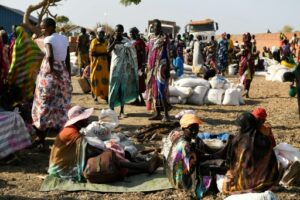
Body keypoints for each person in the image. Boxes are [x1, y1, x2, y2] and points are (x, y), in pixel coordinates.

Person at [49, 105, 160, 181]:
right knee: (107, 161)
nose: (88, 119)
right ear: (78, 120)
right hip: (64, 169)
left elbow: (85, 148)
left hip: (68, 163)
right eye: (85, 118)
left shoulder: (72, 129)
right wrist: (107, 152)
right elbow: (87, 150)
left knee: (110, 158)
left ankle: (143, 166)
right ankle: (144, 166)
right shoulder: (71, 132)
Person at [31, 18, 72, 149]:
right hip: (63, 73)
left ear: (51, 27)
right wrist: (68, 75)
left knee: (42, 106)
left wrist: (52, 71)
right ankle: (60, 140)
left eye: (43, 28)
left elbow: (49, 56)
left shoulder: (48, 40)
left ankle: (41, 139)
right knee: (59, 106)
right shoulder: (64, 39)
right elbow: (67, 58)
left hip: (49, 76)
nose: (42, 30)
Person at [222, 112, 279, 194]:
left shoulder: (237, 140)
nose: (239, 128)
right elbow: (272, 163)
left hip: (242, 182)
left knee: (227, 183)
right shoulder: (264, 139)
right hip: (265, 181)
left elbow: (231, 163)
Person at [164, 114, 205, 199]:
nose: (194, 131)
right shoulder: (185, 145)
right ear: (183, 129)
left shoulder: (180, 138)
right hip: (179, 181)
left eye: (196, 128)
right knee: (207, 172)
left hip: (170, 174)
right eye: (191, 129)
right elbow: (191, 165)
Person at [107, 24, 139, 118]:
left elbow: (132, 53)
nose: (118, 33)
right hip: (115, 68)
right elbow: (108, 50)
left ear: (122, 31)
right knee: (113, 88)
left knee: (123, 89)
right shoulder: (112, 39)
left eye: (120, 31)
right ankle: (111, 110)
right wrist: (115, 42)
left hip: (125, 68)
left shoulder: (126, 41)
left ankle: (122, 110)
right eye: (116, 31)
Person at [8, 26, 44, 102]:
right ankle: (27, 102)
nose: (14, 34)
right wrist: (34, 66)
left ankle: (19, 102)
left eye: (15, 33)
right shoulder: (30, 43)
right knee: (28, 87)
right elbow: (39, 54)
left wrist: (11, 72)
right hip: (30, 71)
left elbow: (15, 61)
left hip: (19, 71)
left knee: (19, 87)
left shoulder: (18, 44)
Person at [146, 19, 171, 122]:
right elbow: (149, 52)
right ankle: (157, 113)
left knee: (161, 89)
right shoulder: (151, 37)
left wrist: (169, 68)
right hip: (151, 67)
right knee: (153, 90)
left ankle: (166, 114)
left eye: (158, 26)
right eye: (155, 27)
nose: (156, 28)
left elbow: (168, 53)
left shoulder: (164, 38)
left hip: (161, 66)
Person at [89, 27, 109, 103]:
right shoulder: (94, 41)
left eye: (103, 33)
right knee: (94, 79)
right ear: (97, 33)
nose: (101, 34)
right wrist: (103, 54)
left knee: (105, 80)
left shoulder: (106, 42)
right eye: (100, 33)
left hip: (104, 65)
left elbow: (109, 53)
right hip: (95, 64)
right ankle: (95, 96)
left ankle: (105, 96)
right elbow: (92, 53)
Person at [130, 27, 146, 106]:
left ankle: (142, 100)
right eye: (130, 33)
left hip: (139, 66)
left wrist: (143, 65)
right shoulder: (134, 42)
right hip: (134, 65)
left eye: (132, 33)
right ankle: (136, 99)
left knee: (138, 83)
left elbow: (143, 54)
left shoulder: (139, 42)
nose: (130, 34)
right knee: (134, 83)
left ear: (135, 33)